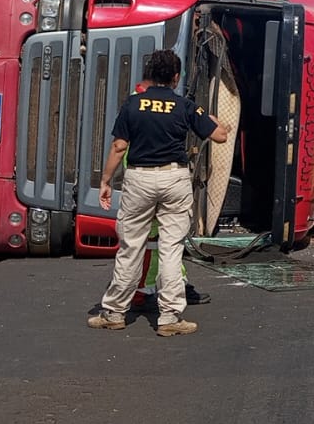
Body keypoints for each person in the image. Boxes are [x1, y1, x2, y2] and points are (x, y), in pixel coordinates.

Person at [89, 49, 228, 336]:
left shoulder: (132, 105)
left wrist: (105, 181)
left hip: (139, 179)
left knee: (130, 248)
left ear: (150, 75)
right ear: (176, 78)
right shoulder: (184, 106)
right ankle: (169, 318)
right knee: (171, 249)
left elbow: (118, 147)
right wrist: (212, 119)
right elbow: (219, 135)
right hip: (174, 178)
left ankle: (114, 312)